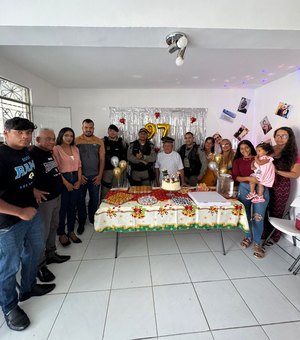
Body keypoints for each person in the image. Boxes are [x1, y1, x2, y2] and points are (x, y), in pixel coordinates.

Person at [0, 117, 55, 331]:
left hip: (31, 213)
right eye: (19, 132)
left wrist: (33, 191)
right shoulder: (1, 157)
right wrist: (19, 211)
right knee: (8, 266)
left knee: (34, 251)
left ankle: (28, 287)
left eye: (28, 132)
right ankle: (10, 307)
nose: (25, 136)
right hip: (8, 222)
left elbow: (22, 179)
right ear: (6, 133)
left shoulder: (25, 152)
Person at [29, 128, 71, 283]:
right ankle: (40, 266)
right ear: (38, 139)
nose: (52, 142)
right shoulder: (32, 155)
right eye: (48, 139)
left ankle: (51, 253)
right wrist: (33, 190)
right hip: (45, 201)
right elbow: (26, 179)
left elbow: (54, 171)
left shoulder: (48, 153)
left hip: (56, 196)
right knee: (42, 232)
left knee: (54, 226)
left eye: (53, 139)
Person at [232, 140, 269, 259]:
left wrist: (258, 180)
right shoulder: (237, 161)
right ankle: (248, 236)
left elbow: (268, 170)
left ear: (251, 147)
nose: (244, 150)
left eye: (246, 147)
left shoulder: (260, 158)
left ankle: (258, 243)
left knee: (258, 216)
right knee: (245, 214)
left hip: (261, 189)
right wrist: (248, 178)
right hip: (244, 188)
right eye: (241, 148)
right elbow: (235, 177)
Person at [263, 127, 300, 243]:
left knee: (276, 211)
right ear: (274, 137)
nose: (280, 138)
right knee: (263, 209)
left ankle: (274, 237)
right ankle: (262, 234)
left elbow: (295, 174)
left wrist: (277, 171)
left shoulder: (294, 155)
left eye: (284, 136)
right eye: (278, 135)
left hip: (281, 186)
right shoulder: (269, 150)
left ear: (289, 138)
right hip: (266, 183)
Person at [53, 127, 82, 246]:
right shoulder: (56, 149)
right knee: (62, 208)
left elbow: (79, 165)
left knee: (72, 206)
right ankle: (61, 233)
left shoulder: (75, 148)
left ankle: (71, 231)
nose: (69, 138)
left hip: (75, 177)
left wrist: (79, 180)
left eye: (71, 136)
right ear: (61, 136)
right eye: (66, 135)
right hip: (63, 179)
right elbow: (55, 168)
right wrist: (66, 183)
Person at [75, 119, 105, 234]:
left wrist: (100, 176)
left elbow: (102, 160)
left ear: (93, 128)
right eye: (86, 127)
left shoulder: (99, 141)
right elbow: (75, 161)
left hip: (95, 177)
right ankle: (82, 222)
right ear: (82, 128)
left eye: (90, 127)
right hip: (81, 177)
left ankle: (93, 219)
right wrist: (80, 176)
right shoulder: (76, 141)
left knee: (94, 199)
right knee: (80, 200)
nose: (88, 130)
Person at [101, 124, 127, 200]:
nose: (112, 132)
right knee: (105, 191)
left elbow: (125, 157)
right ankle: (104, 208)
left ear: (117, 132)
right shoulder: (102, 141)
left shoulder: (122, 142)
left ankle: (116, 208)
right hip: (107, 171)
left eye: (115, 131)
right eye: (111, 130)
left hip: (119, 170)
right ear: (108, 131)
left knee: (117, 190)